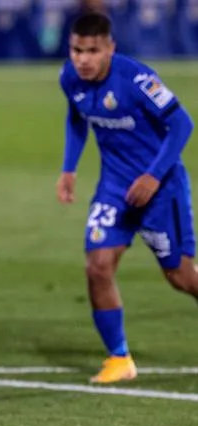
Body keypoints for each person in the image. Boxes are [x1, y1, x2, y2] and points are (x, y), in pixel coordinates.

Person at [57, 12, 195, 383]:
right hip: (115, 188)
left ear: (110, 49)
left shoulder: (137, 79)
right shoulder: (69, 78)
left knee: (182, 277)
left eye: (92, 51)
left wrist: (153, 175)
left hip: (161, 187)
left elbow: (182, 123)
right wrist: (69, 168)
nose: (83, 59)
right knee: (97, 265)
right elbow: (76, 118)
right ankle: (119, 358)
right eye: (76, 50)